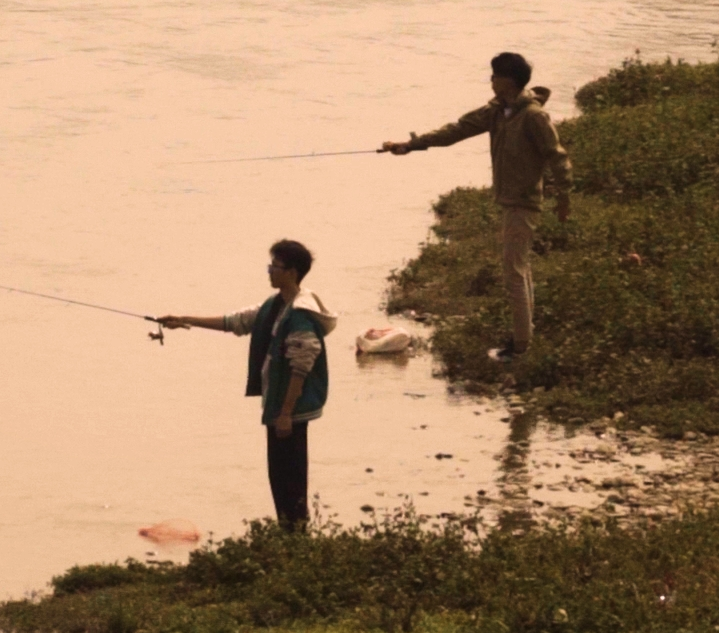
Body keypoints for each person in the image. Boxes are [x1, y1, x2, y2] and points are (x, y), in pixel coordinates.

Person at [381, 52, 572, 360]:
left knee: (513, 272)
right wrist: (411, 145)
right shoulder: (497, 111)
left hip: (523, 202)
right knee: (519, 269)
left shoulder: (534, 117)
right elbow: (456, 130)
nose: (491, 81)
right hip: (509, 200)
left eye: (495, 76)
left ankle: (521, 347)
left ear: (508, 81)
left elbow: (558, 157)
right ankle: (526, 337)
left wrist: (564, 199)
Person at [158, 239, 337, 530]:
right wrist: (183, 319)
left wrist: (285, 414)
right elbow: (236, 322)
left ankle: (295, 536)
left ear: (291, 272)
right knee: (278, 474)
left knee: (289, 476)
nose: (269, 272)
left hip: (289, 411)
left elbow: (301, 367)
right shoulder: (275, 305)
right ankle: (289, 534)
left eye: (274, 267)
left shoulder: (300, 313)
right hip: (278, 407)